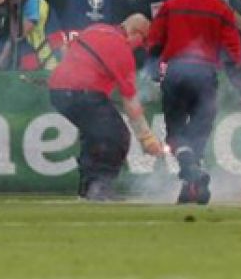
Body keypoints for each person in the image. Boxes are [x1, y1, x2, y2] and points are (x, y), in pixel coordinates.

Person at [147, 0, 241, 204]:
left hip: (174, 74)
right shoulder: (222, 10)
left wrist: (154, 73)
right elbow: (233, 57)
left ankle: (190, 183)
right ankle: (193, 178)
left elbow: (154, 42)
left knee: (176, 133)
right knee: (199, 132)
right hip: (205, 76)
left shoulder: (171, 5)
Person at [48, 14, 162, 201]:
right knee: (116, 135)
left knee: (93, 134)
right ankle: (99, 186)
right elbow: (131, 102)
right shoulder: (122, 50)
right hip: (84, 92)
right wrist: (146, 138)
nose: (139, 47)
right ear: (135, 33)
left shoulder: (95, 28)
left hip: (58, 92)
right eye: (141, 42)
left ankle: (88, 187)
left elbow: (67, 51)